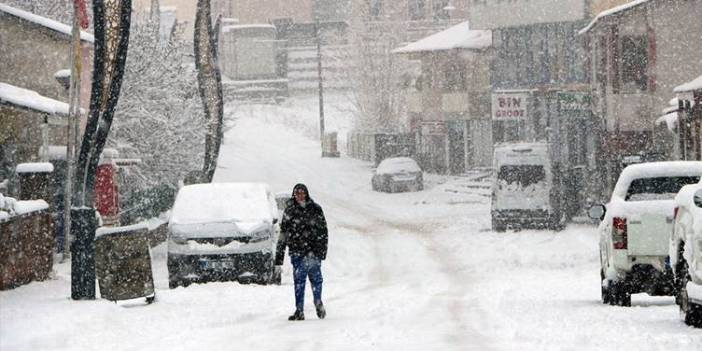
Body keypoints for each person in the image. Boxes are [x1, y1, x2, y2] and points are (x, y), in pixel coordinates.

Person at [275, 183, 328, 321]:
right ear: (294, 194)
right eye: (297, 193)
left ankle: (317, 301)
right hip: (297, 252)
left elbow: (323, 231)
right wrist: (279, 256)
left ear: (306, 194)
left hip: (313, 252)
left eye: (302, 193)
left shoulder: (315, 209)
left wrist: (322, 250)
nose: (300, 196)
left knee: (316, 280)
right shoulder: (290, 211)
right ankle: (299, 310)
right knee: (299, 282)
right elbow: (284, 234)